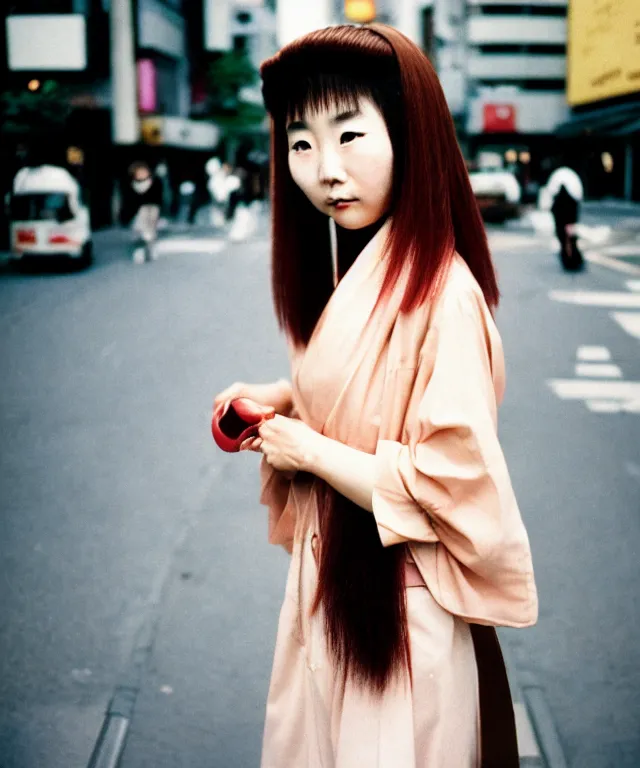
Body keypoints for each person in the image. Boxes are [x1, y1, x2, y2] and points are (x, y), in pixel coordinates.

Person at [214, 24, 537, 767]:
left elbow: (451, 484)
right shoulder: (360, 264)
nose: (325, 170)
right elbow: (369, 393)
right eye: (300, 143)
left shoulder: (444, 293)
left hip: (400, 618)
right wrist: (288, 398)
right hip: (337, 596)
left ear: (410, 134)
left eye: (350, 134)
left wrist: (312, 451)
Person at [124, 161, 163, 263]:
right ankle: (139, 252)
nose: (142, 174)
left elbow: (159, 199)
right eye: (139, 172)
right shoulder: (131, 186)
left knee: (150, 232)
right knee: (139, 232)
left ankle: (151, 250)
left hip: (152, 210)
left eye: (143, 171)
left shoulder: (155, 183)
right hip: (137, 213)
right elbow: (128, 202)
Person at [551, 183, 584, 272]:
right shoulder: (571, 199)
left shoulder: (557, 200)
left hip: (561, 226)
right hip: (570, 225)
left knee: (564, 244)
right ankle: (575, 260)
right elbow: (575, 208)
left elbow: (553, 211)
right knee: (572, 243)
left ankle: (567, 261)